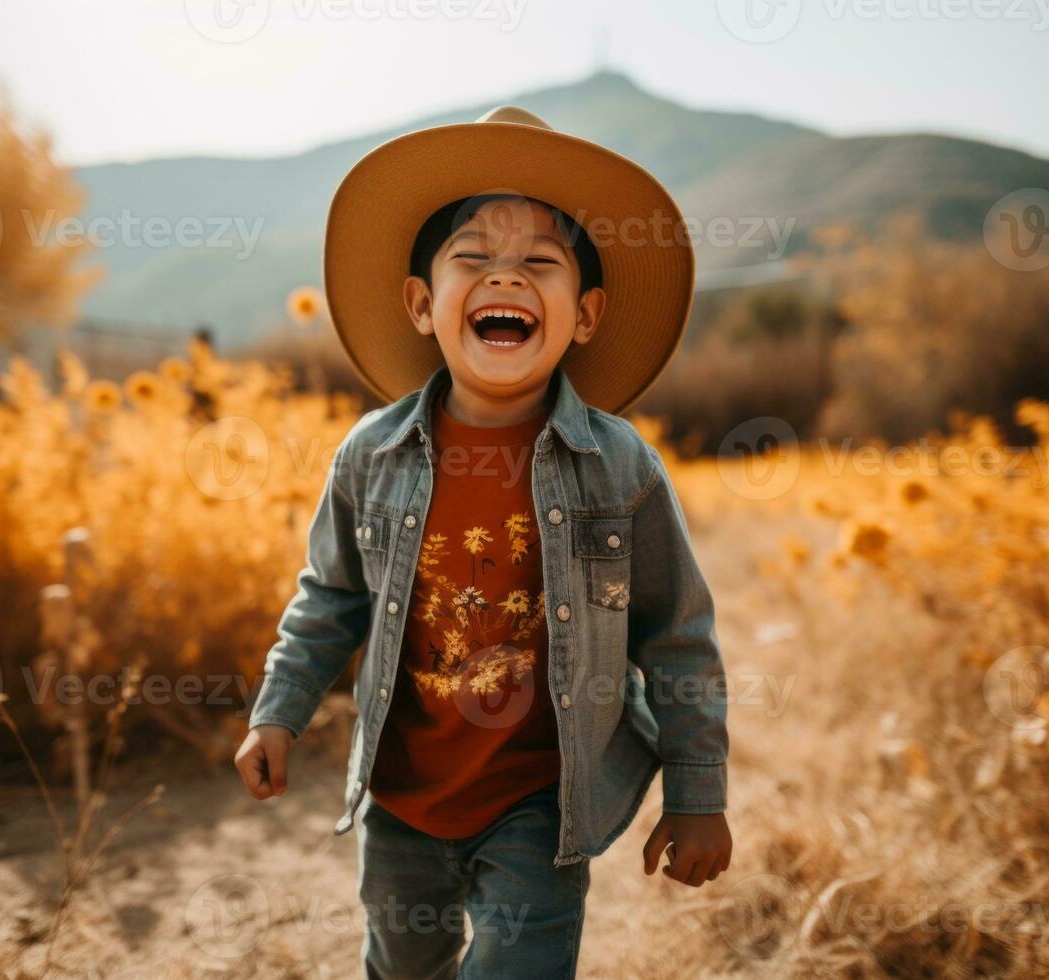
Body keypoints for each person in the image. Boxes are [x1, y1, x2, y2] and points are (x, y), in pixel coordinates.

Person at [235, 105, 732, 979]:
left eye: (540, 262)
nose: (505, 276)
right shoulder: (371, 455)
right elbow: (330, 596)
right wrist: (279, 710)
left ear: (584, 314)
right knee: (404, 964)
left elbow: (676, 634)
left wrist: (697, 793)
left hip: (542, 802)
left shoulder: (619, 470)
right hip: (401, 798)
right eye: (474, 256)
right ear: (424, 305)